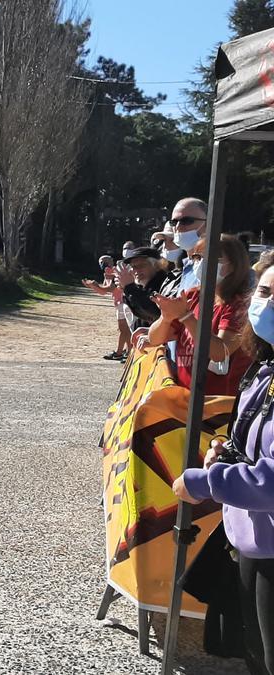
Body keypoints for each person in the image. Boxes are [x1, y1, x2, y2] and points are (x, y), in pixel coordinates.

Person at [173, 251, 274, 674]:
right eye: (265, 291)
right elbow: (250, 439)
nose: (267, 304)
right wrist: (225, 456)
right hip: (252, 540)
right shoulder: (264, 368)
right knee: (253, 650)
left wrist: (202, 482)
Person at [147, 234, 253, 396]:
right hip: (187, 398)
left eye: (211, 257)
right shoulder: (192, 296)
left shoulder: (240, 305)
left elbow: (220, 353)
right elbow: (155, 339)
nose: (201, 262)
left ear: (233, 265)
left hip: (219, 406)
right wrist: (166, 318)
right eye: (197, 257)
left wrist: (186, 317)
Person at [83, 255, 129, 361]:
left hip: (124, 301)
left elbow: (111, 287)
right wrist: (93, 286)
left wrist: (96, 286)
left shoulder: (115, 271)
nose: (102, 264)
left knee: (126, 329)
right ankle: (120, 352)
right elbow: (103, 291)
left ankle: (127, 351)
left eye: (104, 261)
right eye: (101, 262)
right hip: (118, 302)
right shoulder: (107, 274)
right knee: (123, 329)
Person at [117, 246, 169, 332]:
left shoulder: (164, 284)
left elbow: (153, 313)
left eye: (141, 265)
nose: (135, 270)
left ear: (156, 265)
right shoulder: (145, 285)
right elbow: (139, 312)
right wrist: (125, 289)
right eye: (133, 267)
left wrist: (129, 287)